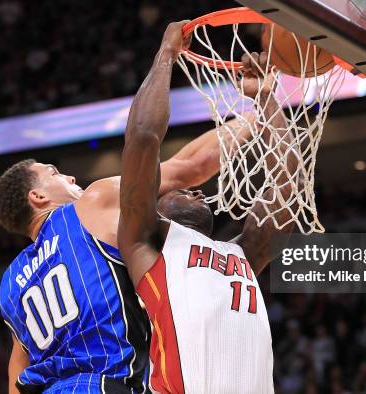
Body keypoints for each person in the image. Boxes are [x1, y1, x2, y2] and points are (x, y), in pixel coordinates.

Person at [0, 54, 254, 394]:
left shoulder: (10, 283)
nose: (70, 176)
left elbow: (18, 369)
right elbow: (188, 168)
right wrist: (259, 115)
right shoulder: (90, 205)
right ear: (38, 197)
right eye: (54, 173)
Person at [118, 21, 298, 393]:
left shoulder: (243, 252)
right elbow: (143, 137)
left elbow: (287, 182)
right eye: (183, 191)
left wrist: (264, 97)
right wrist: (166, 54)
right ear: (156, 208)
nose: (201, 194)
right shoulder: (148, 245)